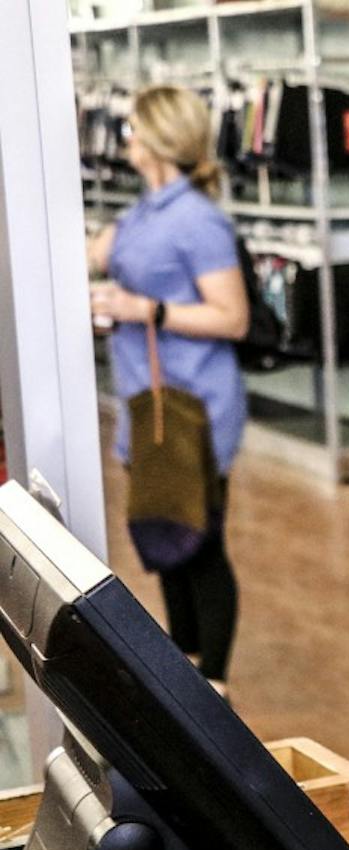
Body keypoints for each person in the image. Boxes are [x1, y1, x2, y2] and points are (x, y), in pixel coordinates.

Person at [88, 85, 249, 699]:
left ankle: (216, 684)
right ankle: (188, 674)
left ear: (158, 139)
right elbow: (93, 254)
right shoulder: (146, 210)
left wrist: (143, 308)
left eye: (131, 128)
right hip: (149, 401)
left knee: (200, 542)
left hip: (193, 406)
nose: (123, 137)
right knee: (166, 537)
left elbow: (230, 317)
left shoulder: (198, 220)